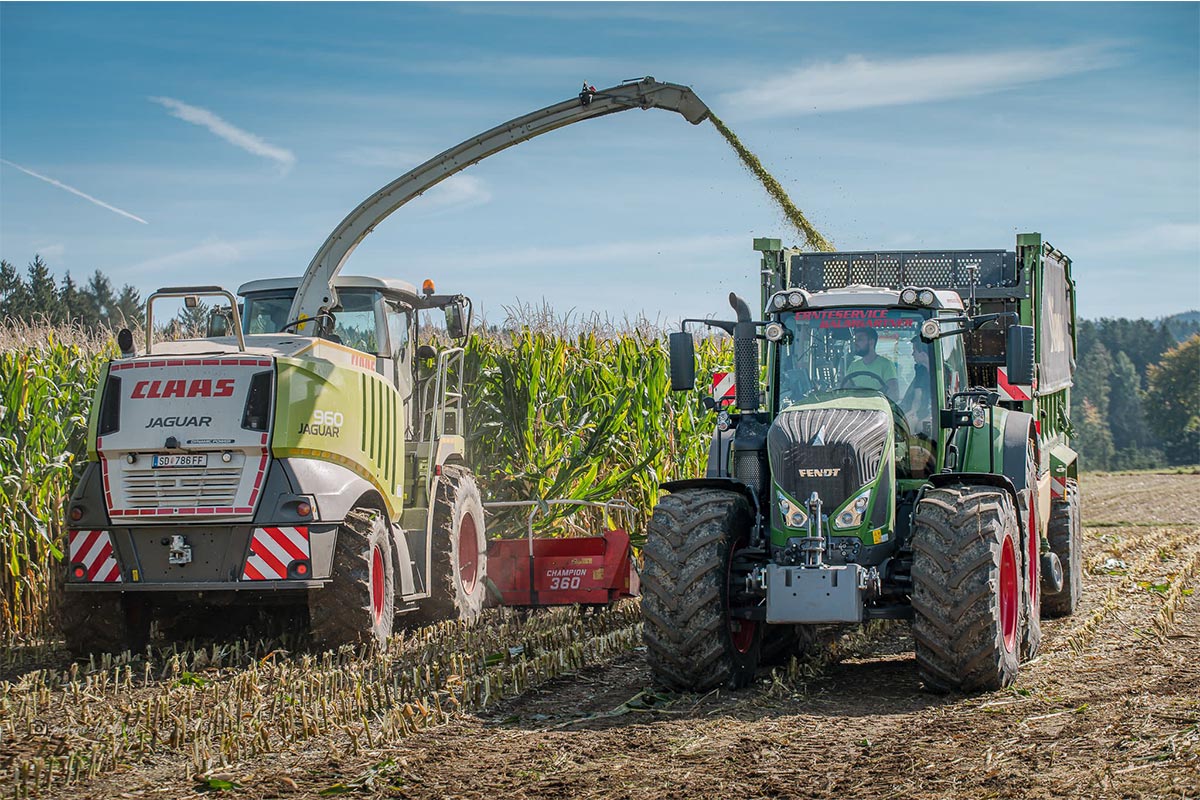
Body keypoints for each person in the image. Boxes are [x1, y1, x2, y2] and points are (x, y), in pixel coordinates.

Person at [846, 327, 899, 397]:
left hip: (878, 407)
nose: (856, 343)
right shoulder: (853, 365)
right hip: (855, 407)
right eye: (855, 340)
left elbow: (893, 394)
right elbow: (844, 391)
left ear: (871, 342)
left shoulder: (886, 365)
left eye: (860, 339)